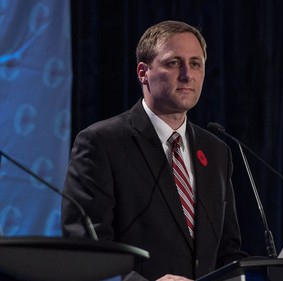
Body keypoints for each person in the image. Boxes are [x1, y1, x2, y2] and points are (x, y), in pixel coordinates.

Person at [61, 20, 248, 281]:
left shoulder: (216, 150)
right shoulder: (101, 142)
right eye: (173, 63)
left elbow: (227, 250)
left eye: (195, 64)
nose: (187, 75)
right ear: (142, 72)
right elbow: (85, 248)